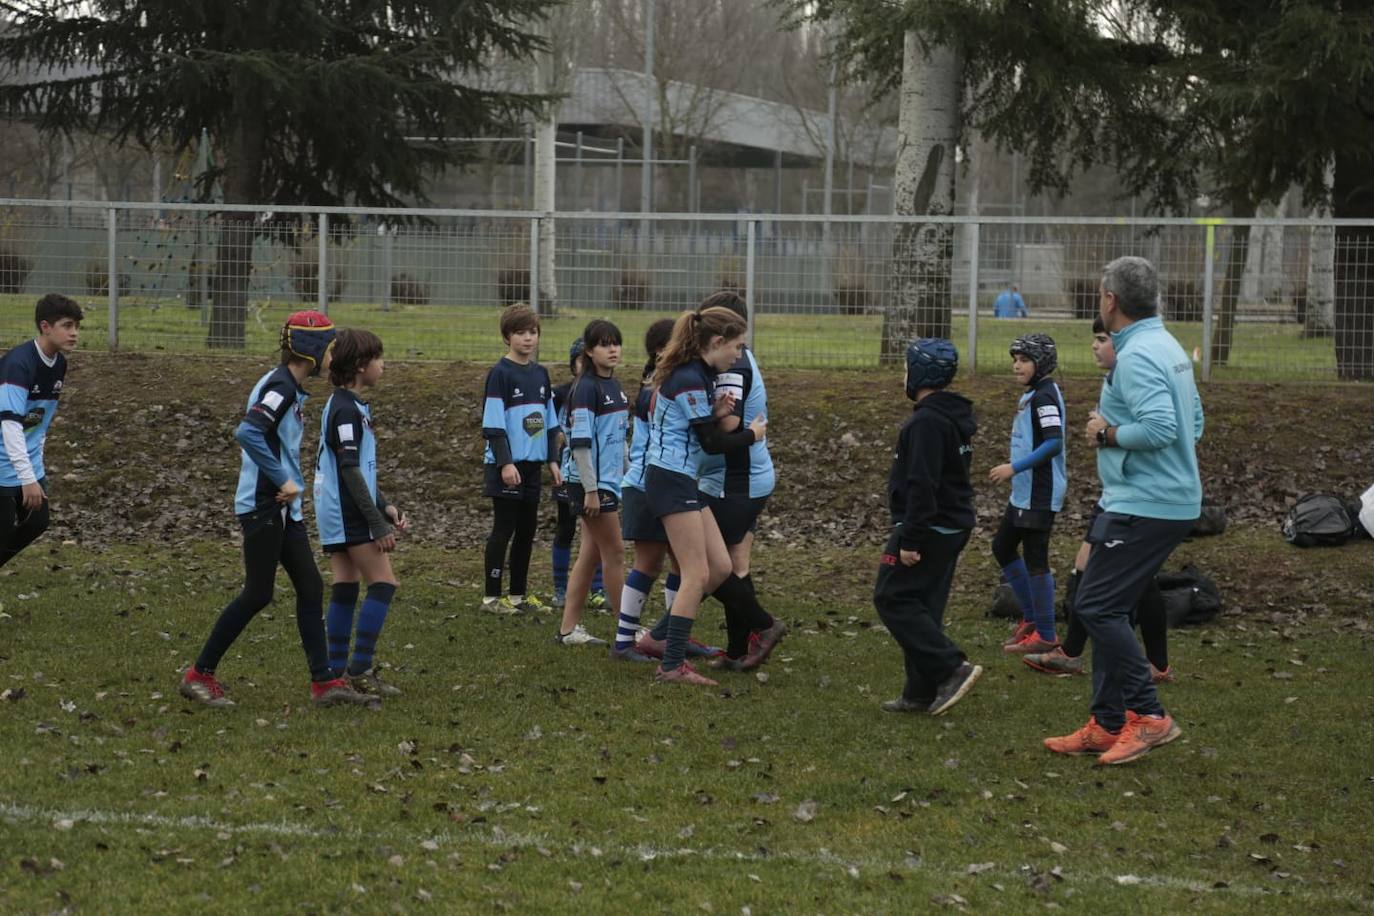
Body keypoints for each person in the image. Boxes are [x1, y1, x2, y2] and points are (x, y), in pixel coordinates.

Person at [1044, 255, 1203, 766]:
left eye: (1099, 294)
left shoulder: (1136, 356)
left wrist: (1106, 434)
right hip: (1140, 499)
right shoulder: (1166, 345)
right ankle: (1107, 722)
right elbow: (1194, 420)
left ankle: (1149, 716)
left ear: (1110, 300)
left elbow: (1163, 428)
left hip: (1148, 504)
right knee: (1098, 599)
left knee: (1096, 607)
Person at [180, 311, 370, 708]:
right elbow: (248, 432)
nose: (334, 356)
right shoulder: (280, 386)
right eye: (331, 348)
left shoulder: (289, 386)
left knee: (311, 587)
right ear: (313, 349)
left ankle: (323, 683)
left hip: (285, 510)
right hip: (264, 507)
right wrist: (283, 479)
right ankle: (199, 674)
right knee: (257, 593)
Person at [1024, 317, 1175, 682]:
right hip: (1118, 492)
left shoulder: (1140, 376)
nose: (1095, 345)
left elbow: (1162, 429)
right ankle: (1144, 663)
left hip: (1137, 495)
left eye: (1102, 338)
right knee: (1125, 574)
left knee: (1106, 571)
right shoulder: (1119, 379)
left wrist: (1106, 433)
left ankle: (1082, 656)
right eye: (1094, 338)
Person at [643, 305, 766, 686]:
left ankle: (661, 644)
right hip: (671, 480)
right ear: (717, 342)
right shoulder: (690, 377)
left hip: (684, 480)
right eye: (737, 346)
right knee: (696, 573)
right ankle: (672, 664)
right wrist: (752, 435)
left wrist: (713, 410)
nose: (739, 354)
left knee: (721, 568)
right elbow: (712, 443)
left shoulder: (696, 375)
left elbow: (692, 425)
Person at [875, 338, 982, 717]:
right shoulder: (951, 417)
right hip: (953, 524)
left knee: (892, 598)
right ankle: (918, 693)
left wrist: (911, 537)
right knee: (924, 605)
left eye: (906, 368)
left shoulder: (926, 424)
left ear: (918, 373)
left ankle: (951, 668)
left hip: (929, 527)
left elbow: (923, 485)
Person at [315, 329, 409, 698]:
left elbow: (358, 468)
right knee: (383, 584)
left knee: (345, 586)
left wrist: (384, 502)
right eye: (378, 358)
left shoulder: (349, 405)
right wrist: (375, 521)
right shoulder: (343, 409)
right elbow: (349, 470)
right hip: (347, 510)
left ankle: (335, 674)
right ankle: (360, 667)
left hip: (338, 506)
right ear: (359, 365)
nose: (383, 365)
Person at [695, 290, 785, 671]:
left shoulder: (734, 366)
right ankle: (738, 650)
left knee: (708, 565)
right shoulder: (740, 357)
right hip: (748, 477)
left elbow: (729, 428)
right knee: (735, 564)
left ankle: (764, 627)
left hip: (739, 479)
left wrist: (697, 414)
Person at [480, 304, 562, 614]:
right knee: (504, 529)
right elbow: (492, 424)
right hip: (507, 466)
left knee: (527, 530)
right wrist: (505, 463)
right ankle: (491, 598)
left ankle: (517, 596)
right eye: (520, 332)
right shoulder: (500, 374)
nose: (528, 338)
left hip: (532, 466)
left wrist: (553, 460)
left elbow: (551, 422)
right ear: (507, 337)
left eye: (533, 332)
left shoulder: (540, 374)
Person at [988, 333, 1066, 656]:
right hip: (1024, 493)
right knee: (1003, 546)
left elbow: (1053, 442)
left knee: (1036, 560)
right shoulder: (1033, 394)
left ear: (1041, 363)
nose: (1017, 366)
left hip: (1040, 492)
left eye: (1024, 360)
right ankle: (1032, 619)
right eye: (1015, 361)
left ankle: (1046, 634)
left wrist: (1014, 467)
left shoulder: (1045, 397)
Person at [555, 320, 629, 648]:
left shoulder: (615, 386)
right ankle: (627, 631)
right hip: (590, 486)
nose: (612, 349)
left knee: (590, 555)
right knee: (614, 553)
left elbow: (618, 440)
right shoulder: (585, 388)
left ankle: (568, 630)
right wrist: (591, 490)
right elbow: (581, 445)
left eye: (616, 343)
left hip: (608, 484)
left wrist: (628, 475)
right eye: (603, 344)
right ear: (588, 351)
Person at [0, 294, 82, 569]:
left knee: (38, 521)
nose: (74, 333)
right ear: (46, 327)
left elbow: (39, 420)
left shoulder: (59, 363)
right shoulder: (18, 364)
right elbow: (10, 425)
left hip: (25, 462)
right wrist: (27, 478)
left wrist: (36, 467)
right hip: (3, 463)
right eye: (68, 325)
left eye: (77, 327)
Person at [550, 340, 606, 612]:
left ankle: (597, 589)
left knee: (596, 533)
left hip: (598, 474)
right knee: (565, 528)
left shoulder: (604, 392)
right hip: (568, 472)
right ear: (573, 364)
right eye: (580, 360)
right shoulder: (560, 394)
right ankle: (560, 589)